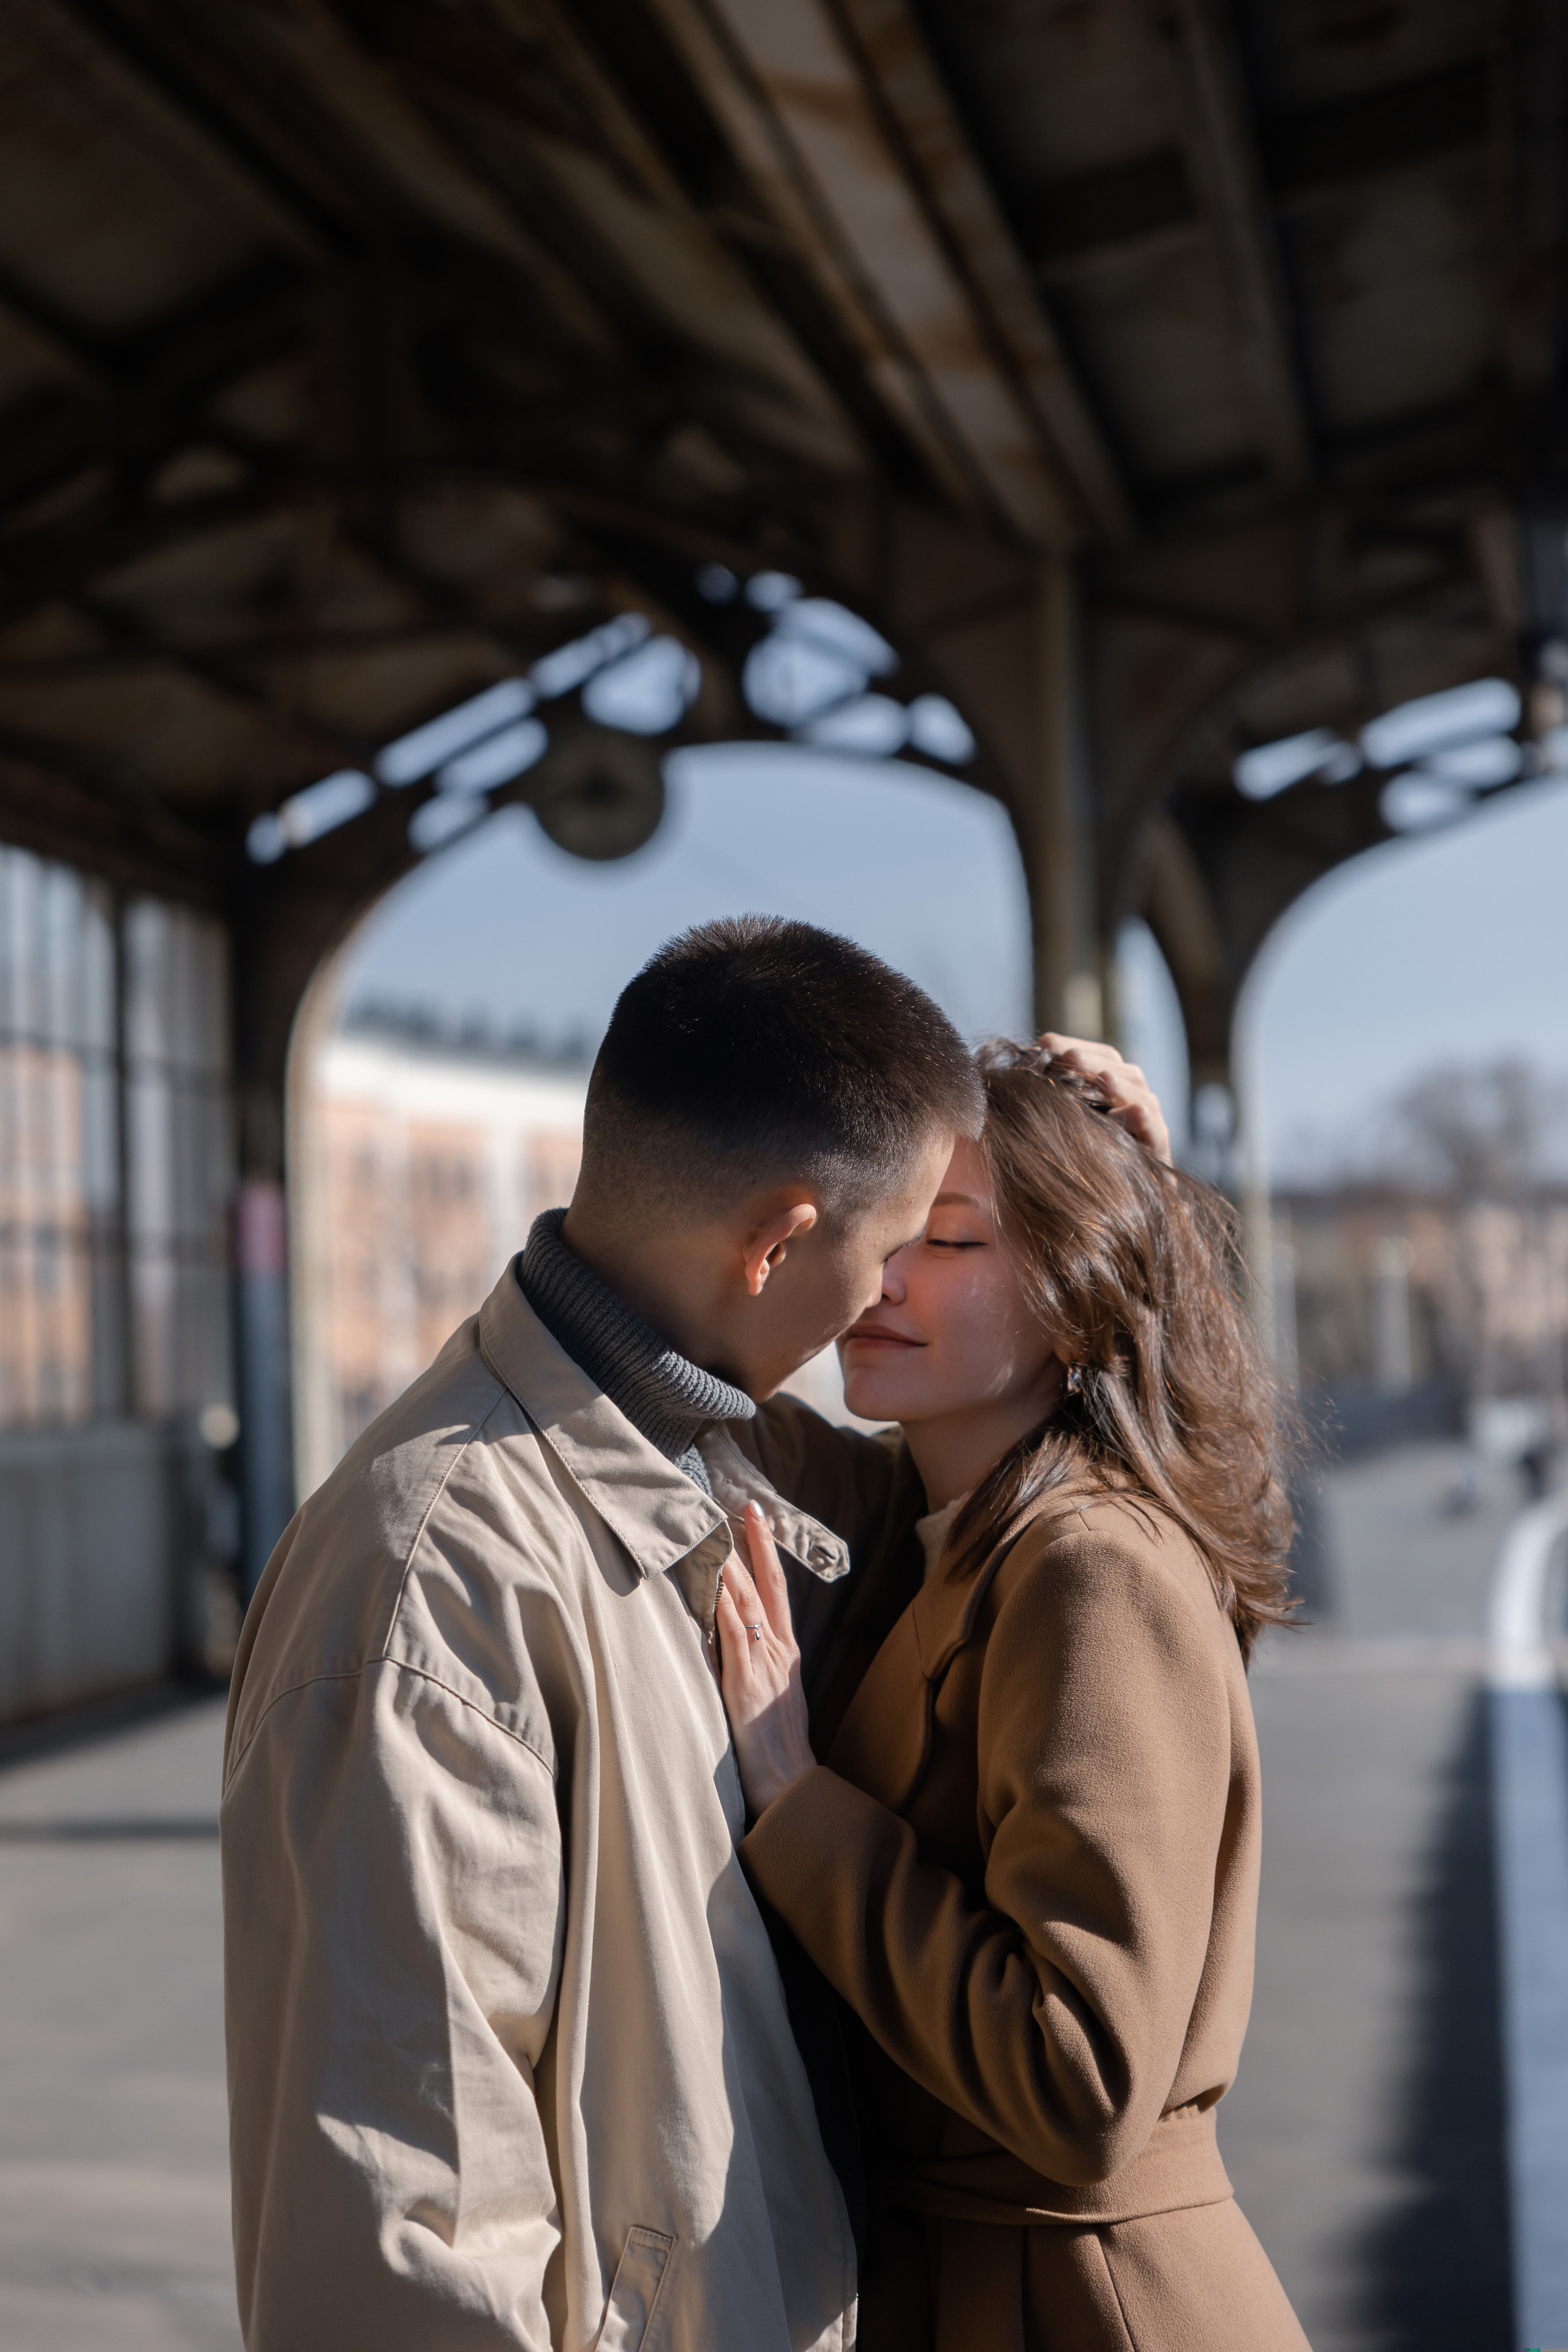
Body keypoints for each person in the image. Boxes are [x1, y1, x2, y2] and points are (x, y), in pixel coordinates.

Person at [222, 911, 1167, 2351]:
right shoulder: (438, 1577)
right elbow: (407, 2244)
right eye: (896, 1241)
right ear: (783, 1237)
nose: (887, 1291)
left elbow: (1062, 1565)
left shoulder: (708, 1459)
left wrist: (1128, 1214)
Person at [717, 1039, 1311, 2351]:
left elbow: (1081, 2081)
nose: (880, 1279)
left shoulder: (1087, 1564)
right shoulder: (928, 1520)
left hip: (1082, 2300)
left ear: (1075, 1288)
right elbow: (684, 1382)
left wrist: (795, 1798)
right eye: (876, 1233)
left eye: (948, 1242)